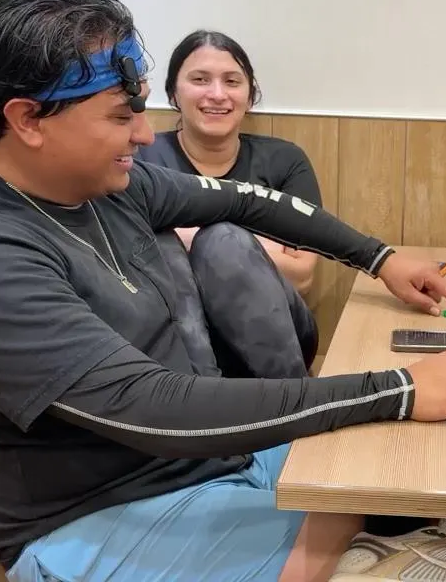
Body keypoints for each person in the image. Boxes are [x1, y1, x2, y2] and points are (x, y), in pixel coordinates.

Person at [0, 0, 446, 582]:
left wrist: (379, 257)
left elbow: (246, 200)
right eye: (121, 115)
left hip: (202, 466)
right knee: (425, 547)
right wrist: (397, 389)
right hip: (91, 524)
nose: (143, 133)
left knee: (445, 525)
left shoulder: (105, 188)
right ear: (28, 119)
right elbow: (150, 406)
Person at [135, 30, 321, 378]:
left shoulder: (284, 160)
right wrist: (255, 246)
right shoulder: (141, 158)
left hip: (281, 338)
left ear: (250, 95)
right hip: (177, 346)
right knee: (166, 247)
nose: (217, 94)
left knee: (219, 241)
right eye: (200, 80)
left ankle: (292, 398)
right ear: (174, 93)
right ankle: (202, 395)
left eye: (232, 81)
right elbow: (132, 259)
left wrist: (203, 237)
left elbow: (302, 276)